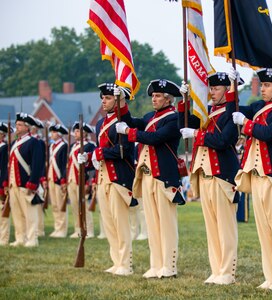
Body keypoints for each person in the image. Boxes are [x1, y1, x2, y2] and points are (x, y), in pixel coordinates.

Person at [232, 68, 272, 291]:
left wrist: (247, 124)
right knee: (264, 231)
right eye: (262, 85)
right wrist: (233, 86)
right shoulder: (259, 107)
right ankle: (270, 276)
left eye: (267, 85)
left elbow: (270, 133)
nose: (262, 88)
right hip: (257, 176)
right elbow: (234, 109)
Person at [115, 79, 184, 279]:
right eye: (153, 96)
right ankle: (156, 265)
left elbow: (154, 138)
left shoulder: (173, 119)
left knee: (166, 224)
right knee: (152, 224)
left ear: (168, 98)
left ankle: (169, 266)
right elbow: (132, 122)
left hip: (163, 177)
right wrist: (122, 103)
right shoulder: (149, 117)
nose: (154, 99)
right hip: (147, 176)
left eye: (158, 96)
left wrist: (129, 132)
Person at [178, 71, 242, 285]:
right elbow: (185, 123)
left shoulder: (232, 113)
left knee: (225, 228)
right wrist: (184, 102)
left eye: (216, 89)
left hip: (222, 176)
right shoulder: (207, 113)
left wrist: (197, 135)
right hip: (205, 175)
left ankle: (228, 271)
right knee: (212, 228)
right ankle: (216, 270)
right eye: (210, 89)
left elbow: (224, 140)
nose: (211, 92)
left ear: (227, 90)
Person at [78, 83, 137, 276]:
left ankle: (126, 264)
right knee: (109, 223)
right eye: (103, 98)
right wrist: (88, 157)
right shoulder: (100, 123)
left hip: (118, 177)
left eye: (109, 98)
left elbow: (124, 150)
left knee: (120, 223)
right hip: (103, 177)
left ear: (118, 100)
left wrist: (99, 152)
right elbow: (100, 150)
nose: (104, 101)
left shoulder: (124, 120)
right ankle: (116, 261)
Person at [7, 113, 45, 247]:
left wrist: (33, 183)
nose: (17, 127)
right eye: (16, 124)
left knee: (30, 214)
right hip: (14, 184)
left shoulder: (34, 142)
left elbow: (37, 164)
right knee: (17, 214)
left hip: (26, 184)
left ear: (27, 127)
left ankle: (32, 239)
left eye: (20, 125)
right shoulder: (14, 143)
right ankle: (20, 238)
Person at [67, 122, 96, 238]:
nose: (75, 133)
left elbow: (91, 167)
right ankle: (78, 229)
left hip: (82, 181)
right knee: (74, 207)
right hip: (71, 180)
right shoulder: (72, 146)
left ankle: (89, 230)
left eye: (78, 131)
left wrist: (88, 182)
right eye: (75, 131)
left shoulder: (89, 146)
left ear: (84, 133)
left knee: (84, 207)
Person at [47, 124, 69, 238]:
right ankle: (57, 227)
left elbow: (64, 165)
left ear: (59, 134)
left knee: (61, 205)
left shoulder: (64, 146)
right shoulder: (51, 146)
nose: (52, 134)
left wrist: (63, 179)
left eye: (54, 132)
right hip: (51, 178)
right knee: (54, 205)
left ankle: (62, 229)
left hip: (59, 179)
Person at [0, 123, 12, 245]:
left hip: (0, 182)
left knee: (3, 212)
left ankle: (3, 238)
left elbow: (4, 168)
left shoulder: (4, 148)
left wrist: (4, 184)